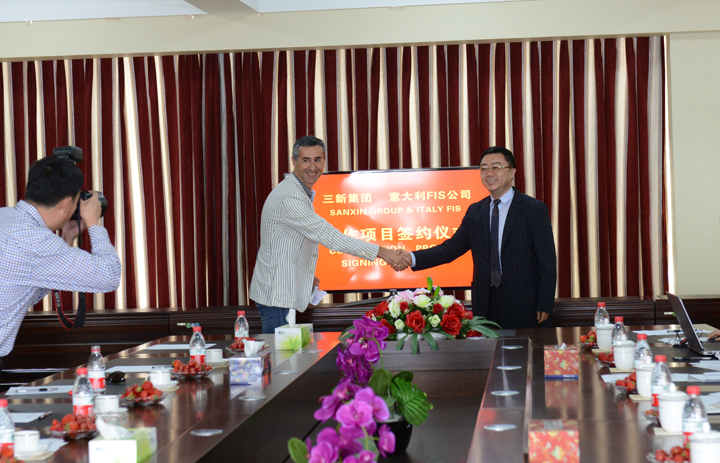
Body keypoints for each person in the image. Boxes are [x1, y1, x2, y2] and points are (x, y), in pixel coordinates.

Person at [249, 136, 406, 333]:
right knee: (281, 353)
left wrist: (306, 275)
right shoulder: (291, 196)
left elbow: (289, 243)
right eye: (306, 160)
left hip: (282, 294)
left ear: (324, 161)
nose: (312, 167)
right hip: (278, 298)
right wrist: (385, 253)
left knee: (285, 352)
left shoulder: (298, 191)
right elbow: (330, 236)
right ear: (294, 161)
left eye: (317, 160)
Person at [396, 146, 557, 329]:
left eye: (496, 167)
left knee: (527, 348)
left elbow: (547, 262)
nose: (489, 173)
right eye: (484, 168)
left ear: (512, 172)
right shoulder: (475, 211)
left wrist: (545, 302)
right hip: (485, 304)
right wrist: (411, 258)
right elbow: (451, 248)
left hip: (526, 304)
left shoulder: (533, 209)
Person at [0, 156, 121, 375]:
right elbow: (110, 276)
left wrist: (65, 241)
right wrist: (93, 223)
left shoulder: (5, 217)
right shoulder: (37, 243)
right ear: (66, 203)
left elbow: (21, 291)